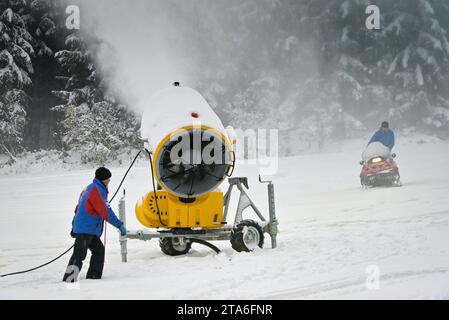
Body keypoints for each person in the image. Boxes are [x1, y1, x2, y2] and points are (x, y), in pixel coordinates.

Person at [63, 167, 126, 282]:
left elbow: (78, 208)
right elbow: (106, 211)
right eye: (108, 179)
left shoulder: (89, 188)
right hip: (85, 228)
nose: (109, 181)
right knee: (79, 254)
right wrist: (119, 225)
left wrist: (74, 226)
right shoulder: (97, 190)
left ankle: (94, 277)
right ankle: (69, 279)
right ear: (103, 179)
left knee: (99, 250)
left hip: (87, 228)